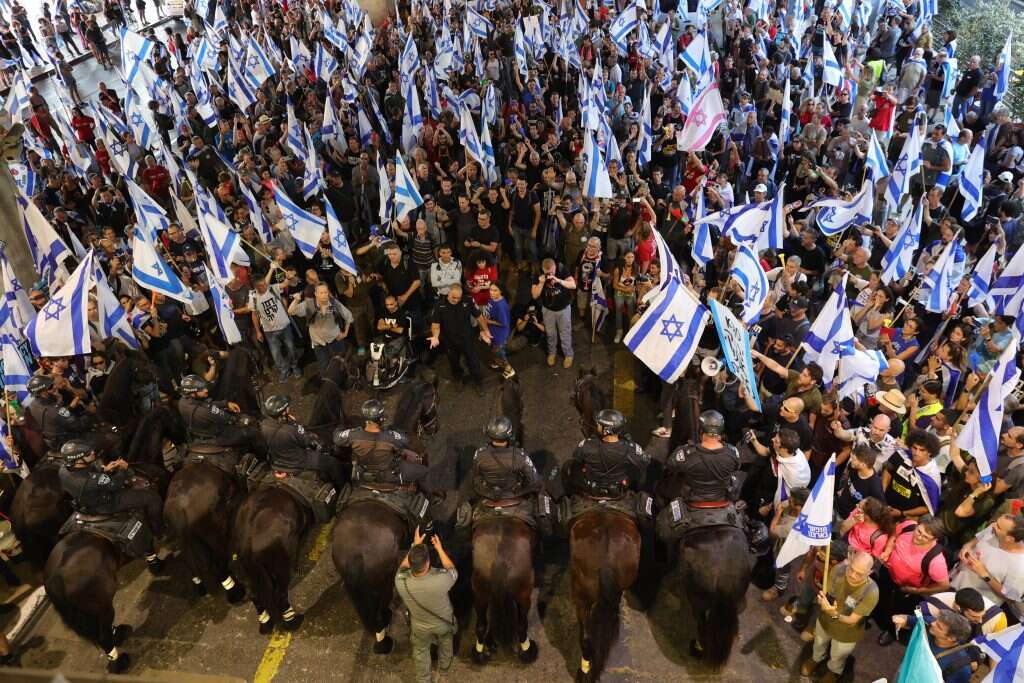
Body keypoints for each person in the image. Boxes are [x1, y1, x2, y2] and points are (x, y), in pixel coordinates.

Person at [57, 439, 165, 573]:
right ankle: (158, 529)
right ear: (79, 460)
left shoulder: (63, 470)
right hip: (107, 503)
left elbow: (88, 472)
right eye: (88, 453)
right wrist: (123, 469)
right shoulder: (92, 481)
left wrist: (104, 469)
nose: (93, 453)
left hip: (84, 503)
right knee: (152, 498)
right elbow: (115, 484)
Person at [800, 550, 879, 682]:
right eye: (851, 569)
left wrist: (834, 614)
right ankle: (816, 658)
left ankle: (834, 671)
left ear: (869, 573)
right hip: (825, 620)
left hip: (846, 632)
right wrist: (822, 598)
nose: (853, 575)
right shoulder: (838, 569)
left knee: (838, 654)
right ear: (850, 562)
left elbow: (852, 621)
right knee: (819, 643)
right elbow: (828, 592)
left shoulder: (871, 592)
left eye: (859, 574)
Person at [394, 526, 457, 683]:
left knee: (420, 651)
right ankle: (443, 673)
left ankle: (424, 680)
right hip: (443, 623)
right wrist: (439, 549)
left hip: (419, 626)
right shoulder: (441, 579)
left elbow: (402, 568)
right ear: (428, 562)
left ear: (410, 561)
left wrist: (414, 546)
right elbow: (452, 570)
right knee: (446, 644)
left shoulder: (401, 581)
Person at [334, 399, 427, 492]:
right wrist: (392, 430)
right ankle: (432, 498)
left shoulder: (352, 435)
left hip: (363, 475)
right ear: (381, 419)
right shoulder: (390, 437)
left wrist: (342, 426)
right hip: (389, 476)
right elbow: (405, 440)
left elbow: (337, 438)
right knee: (424, 472)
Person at [260, 395, 343, 488]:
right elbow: (307, 441)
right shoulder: (291, 429)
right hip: (297, 462)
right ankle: (342, 489)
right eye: (287, 407)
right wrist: (295, 424)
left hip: (277, 461)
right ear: (283, 412)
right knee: (333, 463)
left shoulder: (264, 425)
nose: (289, 408)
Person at [563, 409, 648, 500]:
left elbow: (577, 458)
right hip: (619, 491)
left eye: (599, 425)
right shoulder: (632, 448)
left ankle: (567, 497)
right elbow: (644, 463)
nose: (597, 426)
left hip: (591, 490)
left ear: (606, 431)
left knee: (568, 467)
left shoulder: (587, 444)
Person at [667, 410, 741, 505]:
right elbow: (737, 467)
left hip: (692, 502)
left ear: (701, 430)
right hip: (722, 500)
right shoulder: (733, 452)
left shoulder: (686, 453)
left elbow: (671, 466)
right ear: (721, 431)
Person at [428, 282, 491, 393]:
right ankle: (459, 379)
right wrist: (435, 337)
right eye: (453, 297)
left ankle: (478, 382)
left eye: (458, 298)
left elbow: (479, 317)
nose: (456, 300)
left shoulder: (468, 300)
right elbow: (435, 325)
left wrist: (485, 330)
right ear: (448, 294)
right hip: (450, 341)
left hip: (467, 338)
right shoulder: (439, 305)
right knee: (454, 363)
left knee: (473, 362)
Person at [468, 416, 541, 504]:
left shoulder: (479, 454)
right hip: (513, 495)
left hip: (489, 494)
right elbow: (534, 481)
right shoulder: (520, 456)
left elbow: (475, 475)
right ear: (509, 434)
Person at [177, 375, 252, 457]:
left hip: (196, 436)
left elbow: (204, 404)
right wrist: (238, 419)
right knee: (251, 432)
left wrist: (225, 404)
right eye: (201, 389)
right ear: (192, 393)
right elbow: (228, 419)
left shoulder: (182, 402)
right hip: (215, 439)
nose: (206, 390)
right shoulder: (205, 412)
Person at [287, 282, 353, 374]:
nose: (324, 295)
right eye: (321, 293)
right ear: (316, 294)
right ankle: (327, 385)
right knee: (324, 367)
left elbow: (348, 316)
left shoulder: (333, 302)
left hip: (335, 340)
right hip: (319, 344)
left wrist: (345, 333)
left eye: (325, 292)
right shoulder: (309, 304)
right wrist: (296, 300)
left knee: (341, 364)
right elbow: (290, 311)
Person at [531, 257, 576, 368]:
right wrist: (541, 283)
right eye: (547, 273)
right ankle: (552, 353)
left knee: (565, 333)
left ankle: (568, 355)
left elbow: (573, 285)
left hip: (563, 308)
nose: (550, 275)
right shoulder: (537, 274)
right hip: (548, 310)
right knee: (550, 333)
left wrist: (559, 280)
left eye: (552, 271)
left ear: (555, 267)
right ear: (542, 269)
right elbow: (534, 295)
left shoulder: (561, 268)